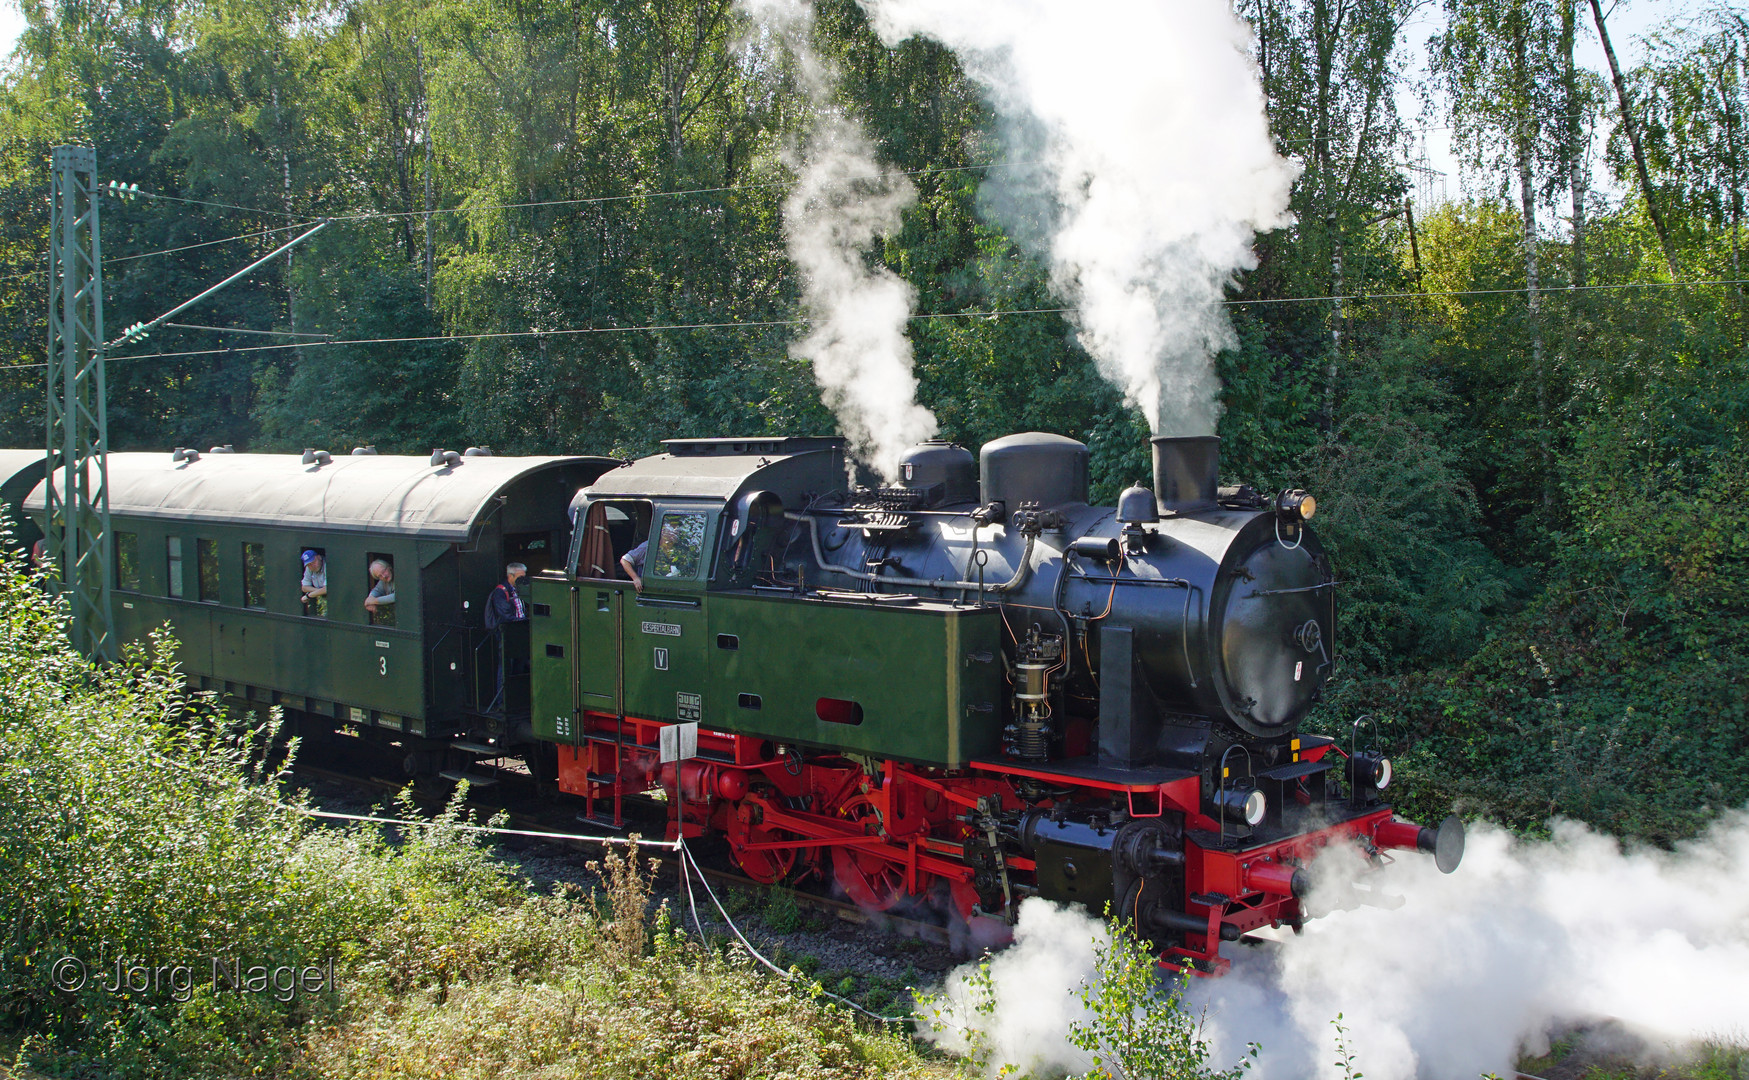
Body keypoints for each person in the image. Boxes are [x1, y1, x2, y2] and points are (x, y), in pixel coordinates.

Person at [484, 562, 529, 712]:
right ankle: (502, 702)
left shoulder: (521, 591)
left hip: (521, 633)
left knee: (520, 666)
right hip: (508, 634)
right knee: (505, 668)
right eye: (520, 577)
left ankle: (518, 699)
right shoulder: (500, 592)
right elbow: (506, 615)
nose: (523, 580)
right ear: (510, 576)